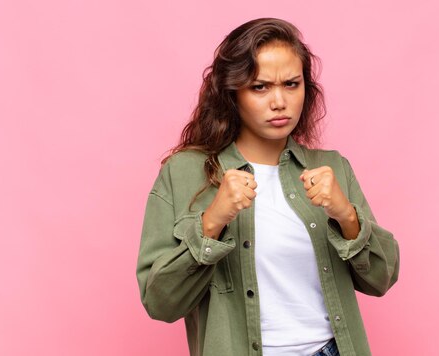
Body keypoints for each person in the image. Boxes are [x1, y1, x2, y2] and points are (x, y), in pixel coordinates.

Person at [136, 17, 400, 356]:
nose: (279, 102)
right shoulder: (183, 174)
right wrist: (212, 223)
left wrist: (346, 216)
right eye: (260, 87)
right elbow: (160, 303)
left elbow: (381, 278)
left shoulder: (333, 168)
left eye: (291, 84)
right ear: (232, 93)